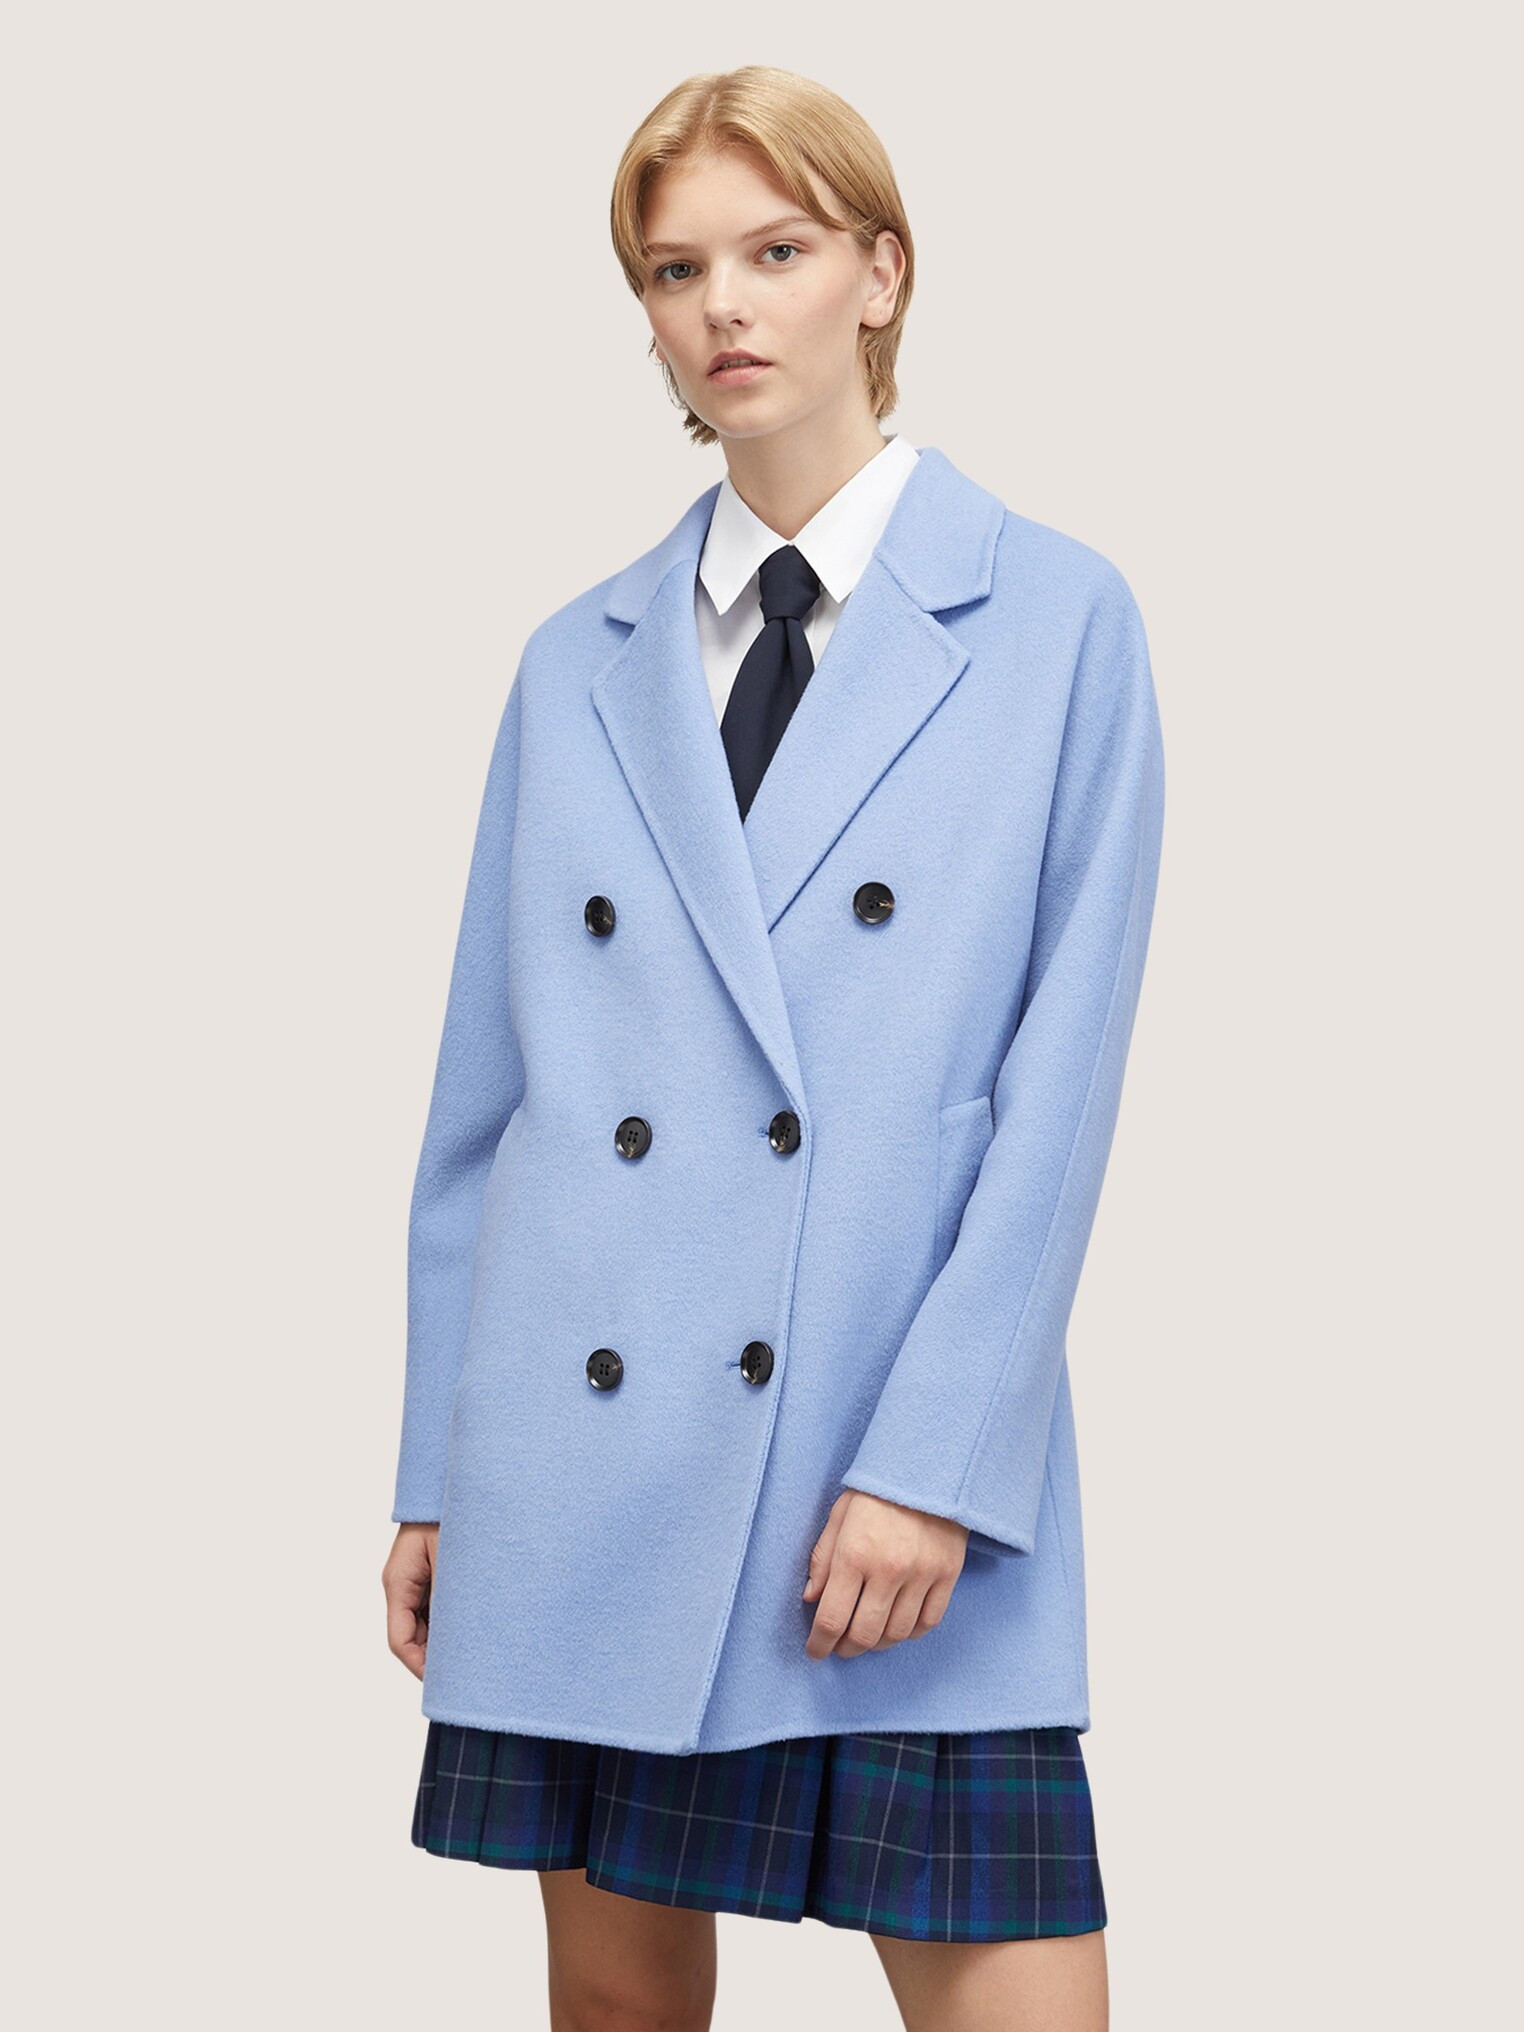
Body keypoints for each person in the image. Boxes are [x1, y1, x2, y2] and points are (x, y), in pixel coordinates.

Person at [382, 63, 1164, 2032]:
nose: (723, 304)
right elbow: (488, 1113)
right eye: (675, 269)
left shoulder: (1055, 618)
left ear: (881, 275)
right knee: (618, 2009)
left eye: (777, 251)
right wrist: (440, 1475)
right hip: (586, 1455)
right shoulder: (579, 660)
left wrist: (936, 1465)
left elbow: (1059, 1093)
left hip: (882, 1470)